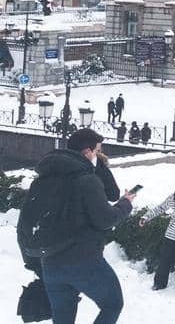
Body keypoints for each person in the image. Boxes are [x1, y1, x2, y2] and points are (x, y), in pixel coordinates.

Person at [21, 128, 137, 324]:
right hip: (84, 261)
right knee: (112, 304)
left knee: (63, 319)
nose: (99, 155)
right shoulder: (86, 180)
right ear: (87, 152)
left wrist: (36, 263)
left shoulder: (42, 180)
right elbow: (106, 219)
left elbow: (25, 224)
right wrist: (126, 204)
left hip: (50, 264)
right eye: (97, 151)